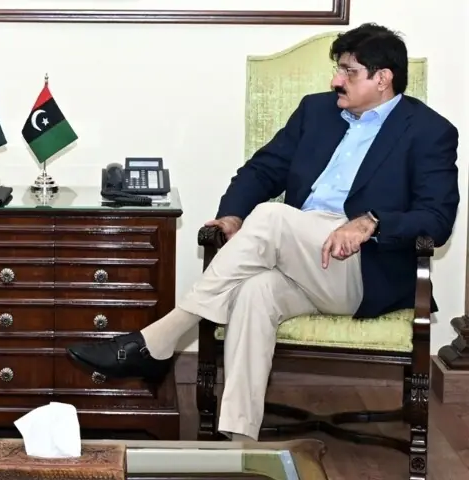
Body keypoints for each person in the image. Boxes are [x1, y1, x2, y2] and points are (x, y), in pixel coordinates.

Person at [67, 23, 459, 442]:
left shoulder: (428, 130)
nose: (335, 81)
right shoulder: (316, 111)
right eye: (337, 70)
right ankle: (238, 445)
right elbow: (263, 169)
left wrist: (373, 221)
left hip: (361, 267)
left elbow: (437, 219)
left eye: (348, 71)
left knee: (272, 217)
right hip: (300, 257)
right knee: (255, 294)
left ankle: (160, 340)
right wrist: (232, 215)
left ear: (383, 79)